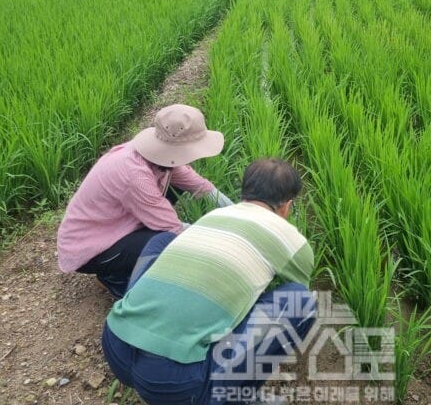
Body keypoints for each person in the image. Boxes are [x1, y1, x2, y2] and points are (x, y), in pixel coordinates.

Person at [101, 158, 316, 405]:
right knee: (300, 300)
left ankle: (138, 314)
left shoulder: (215, 215)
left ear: (244, 194)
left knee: (162, 241)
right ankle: (237, 397)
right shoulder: (292, 240)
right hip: (177, 384)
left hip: (115, 346)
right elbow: (295, 289)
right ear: (287, 206)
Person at [57, 104, 233, 298]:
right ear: (178, 149)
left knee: (178, 189)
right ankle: (114, 277)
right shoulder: (134, 175)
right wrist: (223, 241)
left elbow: (201, 186)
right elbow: (174, 229)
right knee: (166, 240)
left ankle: (135, 249)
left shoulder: (159, 157)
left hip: (116, 220)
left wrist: (239, 212)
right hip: (91, 247)